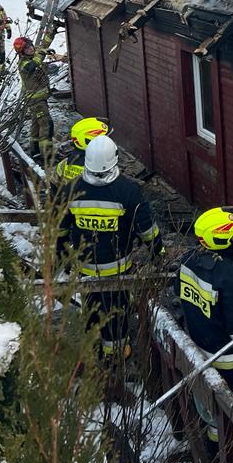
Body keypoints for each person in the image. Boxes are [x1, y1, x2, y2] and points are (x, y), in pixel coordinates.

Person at [59, 134, 164, 359]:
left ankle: (94, 349)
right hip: (118, 269)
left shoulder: (71, 190)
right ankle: (116, 358)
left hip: (85, 267)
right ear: (114, 159)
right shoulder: (127, 191)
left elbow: (60, 228)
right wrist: (158, 252)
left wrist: (63, 256)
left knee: (92, 308)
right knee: (116, 313)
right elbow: (146, 229)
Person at [177, 207, 233, 444]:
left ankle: (215, 435)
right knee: (228, 406)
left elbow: (182, 296)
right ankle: (225, 446)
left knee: (206, 401)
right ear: (221, 239)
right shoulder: (228, 277)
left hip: (197, 346)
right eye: (232, 233)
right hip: (226, 359)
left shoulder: (187, 261)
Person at [14, 27, 59, 161]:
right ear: (22, 52)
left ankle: (35, 152)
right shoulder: (24, 64)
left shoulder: (33, 55)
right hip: (36, 102)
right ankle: (47, 156)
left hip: (38, 101)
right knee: (46, 125)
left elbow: (43, 45)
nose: (31, 49)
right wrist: (43, 53)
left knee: (36, 125)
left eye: (31, 46)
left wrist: (51, 32)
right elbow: (35, 63)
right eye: (27, 48)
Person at [54, 116, 110, 186]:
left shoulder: (62, 165)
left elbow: (53, 186)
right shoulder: (101, 171)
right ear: (89, 142)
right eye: (105, 140)